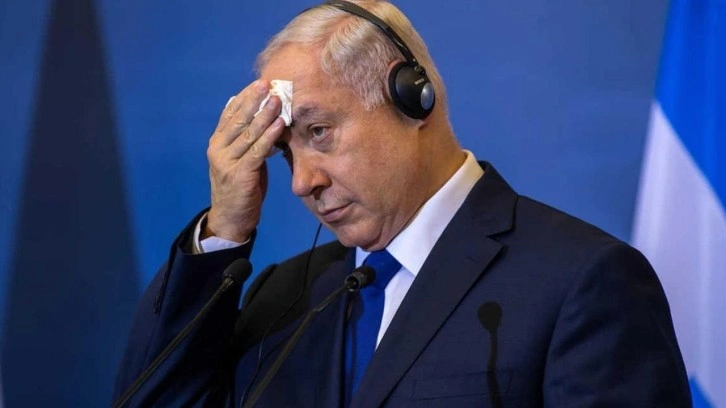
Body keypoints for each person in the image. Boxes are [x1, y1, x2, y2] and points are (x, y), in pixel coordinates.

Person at [113, 1, 692, 407]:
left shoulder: (581, 282)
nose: (302, 183)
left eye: (319, 132)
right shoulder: (284, 298)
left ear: (412, 100)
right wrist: (224, 229)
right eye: (285, 153)